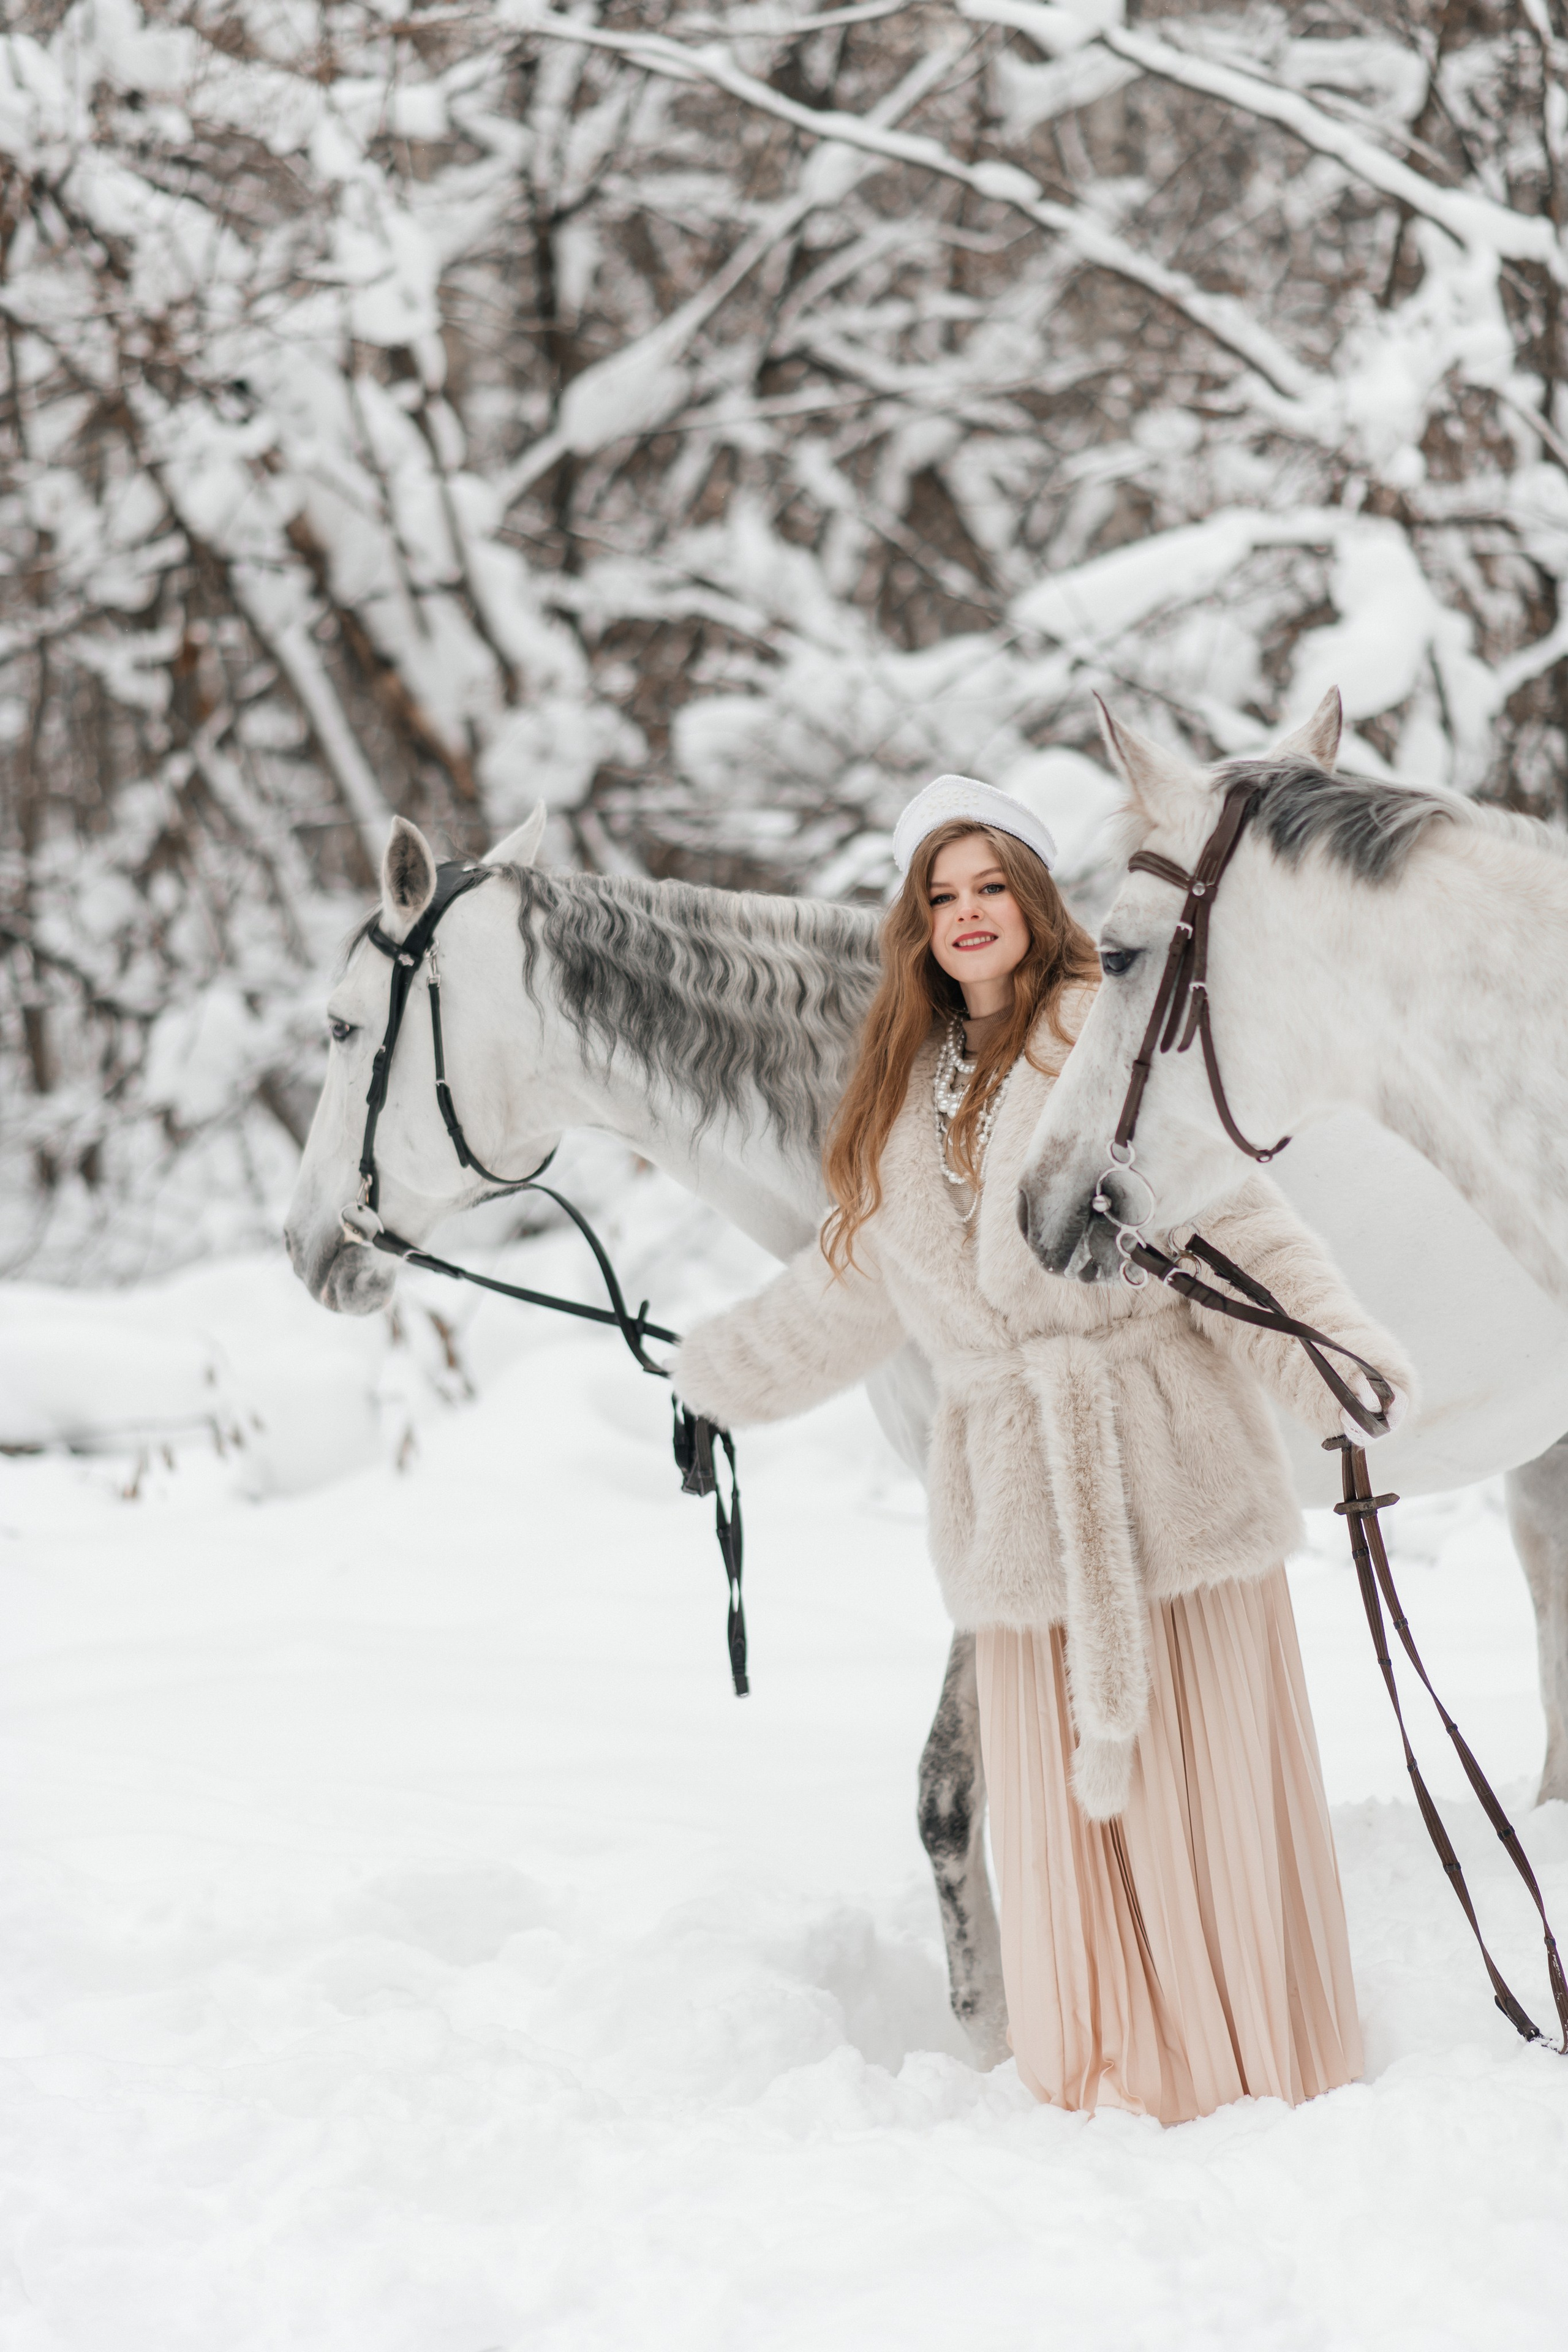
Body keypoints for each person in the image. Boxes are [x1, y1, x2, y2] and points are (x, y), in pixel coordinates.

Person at [668, 773, 1415, 2125]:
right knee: (1067, 1828)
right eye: (939, 897)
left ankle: (1251, 2077)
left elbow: (1229, 1225)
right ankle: (1108, 2088)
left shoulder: (1106, 1044)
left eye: (988, 886)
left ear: (1030, 895)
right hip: (1017, 1509)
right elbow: (853, 1293)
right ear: (914, 925)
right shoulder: (894, 1094)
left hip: (1165, 1473)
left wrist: (1332, 1355)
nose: (966, 915)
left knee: (1201, 1801)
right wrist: (708, 1375)